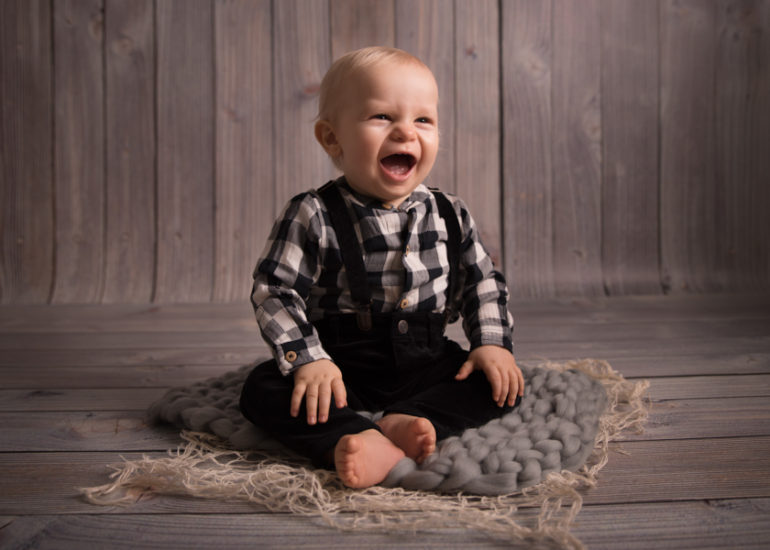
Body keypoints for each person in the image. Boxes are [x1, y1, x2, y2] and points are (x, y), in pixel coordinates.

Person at [240, 46, 524, 489]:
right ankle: (350, 435)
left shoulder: (450, 212)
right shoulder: (314, 213)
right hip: (342, 365)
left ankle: (409, 419)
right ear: (332, 139)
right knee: (263, 389)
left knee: (496, 381)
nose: (405, 133)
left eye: (422, 120)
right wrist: (309, 361)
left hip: (426, 361)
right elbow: (275, 289)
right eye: (382, 118)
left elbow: (482, 283)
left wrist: (490, 343)